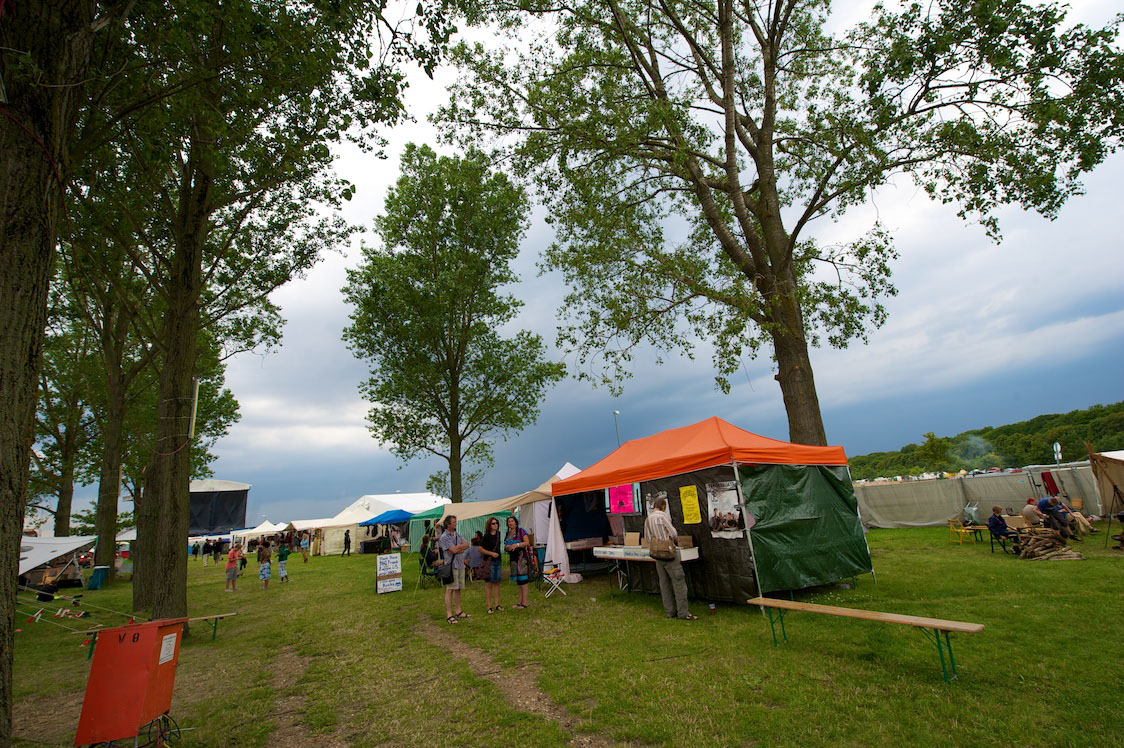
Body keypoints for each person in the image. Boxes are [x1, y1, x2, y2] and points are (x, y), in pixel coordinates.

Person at [644, 496, 697, 620]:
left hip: (657, 554)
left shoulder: (648, 519)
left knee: (664, 584)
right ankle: (683, 613)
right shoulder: (663, 516)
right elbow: (673, 533)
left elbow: (647, 538)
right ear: (663, 506)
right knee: (678, 582)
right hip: (669, 553)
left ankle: (670, 612)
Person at [439, 516, 470, 623]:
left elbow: (467, 544)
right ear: (448, 524)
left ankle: (458, 611)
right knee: (450, 589)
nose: (455, 523)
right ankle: (449, 615)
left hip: (460, 564)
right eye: (453, 522)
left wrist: (458, 548)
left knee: (458, 588)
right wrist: (460, 548)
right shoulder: (444, 537)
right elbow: (452, 550)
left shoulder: (457, 534)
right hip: (451, 566)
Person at [504, 516, 533, 610]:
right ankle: (519, 602)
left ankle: (525, 602)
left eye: (512, 521)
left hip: (521, 558)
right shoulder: (508, 533)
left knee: (523, 580)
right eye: (509, 521)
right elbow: (506, 544)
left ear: (515, 522)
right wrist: (507, 547)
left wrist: (517, 545)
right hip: (513, 559)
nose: (510, 523)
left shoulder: (521, 531)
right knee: (518, 581)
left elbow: (527, 542)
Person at [480, 516, 504, 614]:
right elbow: (480, 549)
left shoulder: (498, 534)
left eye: (496, 523)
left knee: (497, 583)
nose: (495, 525)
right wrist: (491, 553)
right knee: (489, 584)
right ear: (489, 525)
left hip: (498, 560)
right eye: (493, 523)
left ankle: (497, 604)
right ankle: (489, 606)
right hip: (489, 561)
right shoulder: (486, 536)